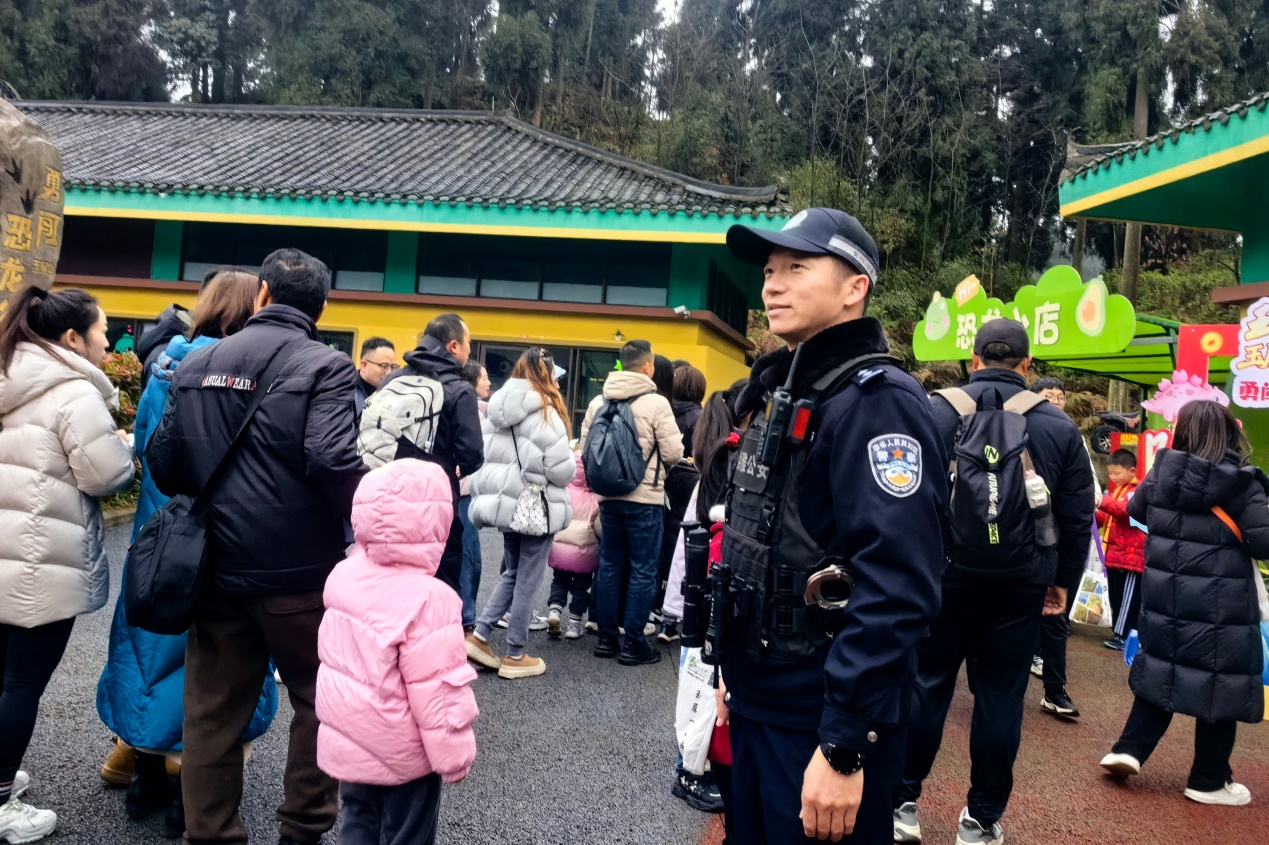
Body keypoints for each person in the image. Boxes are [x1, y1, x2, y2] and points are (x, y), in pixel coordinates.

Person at [716, 207, 948, 844]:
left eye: (797, 267)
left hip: (820, 722)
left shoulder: (878, 404)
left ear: (855, 288)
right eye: (769, 270)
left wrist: (845, 743)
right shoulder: (786, 390)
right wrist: (733, 673)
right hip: (761, 699)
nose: (773, 284)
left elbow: (899, 586)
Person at [147, 248, 367, 845]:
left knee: (212, 713)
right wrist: (365, 521)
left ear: (262, 294)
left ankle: (210, 833)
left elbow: (163, 462)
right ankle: (302, 829)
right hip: (300, 574)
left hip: (213, 566)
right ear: (322, 307)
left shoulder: (197, 361)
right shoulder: (326, 365)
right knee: (318, 699)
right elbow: (331, 460)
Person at [896, 319, 1095, 845]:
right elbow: (1077, 517)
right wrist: (1062, 581)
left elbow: (903, 497)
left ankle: (901, 803)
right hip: (1021, 583)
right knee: (1001, 697)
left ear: (973, 359)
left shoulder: (933, 411)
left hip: (942, 577)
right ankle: (980, 819)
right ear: (1027, 364)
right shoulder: (1058, 426)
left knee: (926, 685)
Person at [96, 268, 279, 839]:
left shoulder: (165, 368)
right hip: (228, 539)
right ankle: (189, 795)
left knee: (150, 650)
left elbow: (148, 445)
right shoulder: (255, 375)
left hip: (161, 535)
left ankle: (145, 777)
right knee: (215, 660)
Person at [0, 286, 136, 843]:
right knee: (21, 684)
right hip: (40, 559)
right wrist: (126, 446)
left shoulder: (9, 374)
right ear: (73, 337)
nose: (108, 342)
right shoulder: (72, 391)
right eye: (103, 331)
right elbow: (106, 475)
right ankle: (0, 802)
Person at [1100, 400, 1269, 806]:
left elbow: (1137, 510)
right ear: (1230, 434)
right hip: (1222, 606)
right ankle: (1208, 780)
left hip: (1165, 598)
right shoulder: (1243, 483)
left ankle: (1128, 750)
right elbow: (1263, 542)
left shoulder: (1161, 474)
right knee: (1219, 687)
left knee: (1161, 670)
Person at [316, 459, 478, 845]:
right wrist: (454, 755)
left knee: (359, 818)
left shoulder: (343, 575)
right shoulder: (430, 599)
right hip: (404, 751)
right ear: (435, 524)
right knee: (407, 831)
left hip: (352, 736)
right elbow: (438, 689)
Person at [466, 348, 576, 679]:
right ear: (545, 375)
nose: (557, 382)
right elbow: (560, 469)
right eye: (554, 374)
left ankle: (481, 635)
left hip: (507, 504)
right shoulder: (545, 412)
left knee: (513, 572)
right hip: (534, 506)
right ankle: (515, 653)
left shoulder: (498, 407)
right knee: (528, 577)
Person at [580, 340, 684, 666]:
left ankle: (607, 639)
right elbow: (674, 453)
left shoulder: (598, 401)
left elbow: (585, 448)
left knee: (609, 565)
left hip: (608, 497)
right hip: (645, 498)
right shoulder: (656, 403)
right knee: (643, 570)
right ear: (648, 367)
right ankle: (634, 643)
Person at [378, 313, 484, 592]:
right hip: (436, 502)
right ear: (453, 346)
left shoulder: (392, 381)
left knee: (391, 578)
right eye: (468, 343)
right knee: (440, 580)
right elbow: (472, 455)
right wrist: (455, 468)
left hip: (386, 496)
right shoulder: (459, 390)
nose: (470, 350)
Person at [546, 451, 600, 640]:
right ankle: (574, 625)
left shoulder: (564, 491)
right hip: (585, 553)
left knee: (559, 582)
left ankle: (554, 612)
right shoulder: (595, 498)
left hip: (560, 550)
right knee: (581, 589)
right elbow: (599, 528)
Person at [457, 360, 492, 633]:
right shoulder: (473, 415)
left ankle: (463, 615)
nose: (489, 382)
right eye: (484, 377)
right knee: (469, 557)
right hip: (464, 492)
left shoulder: (478, 412)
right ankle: (466, 618)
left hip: (462, 490)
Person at [1098, 449, 1145, 651]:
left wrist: (1103, 501)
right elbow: (1108, 516)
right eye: (1110, 473)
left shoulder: (1137, 491)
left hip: (1132, 556)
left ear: (1132, 471)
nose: (1113, 477)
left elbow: (1126, 513)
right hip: (1116, 554)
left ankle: (1123, 634)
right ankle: (1120, 631)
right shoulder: (1118, 491)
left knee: (1129, 598)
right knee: (1117, 596)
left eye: (1116, 473)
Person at [353, 336, 396, 421]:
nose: (389, 372)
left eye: (393, 367)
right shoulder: (346, 391)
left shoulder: (395, 392)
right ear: (364, 365)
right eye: (384, 366)